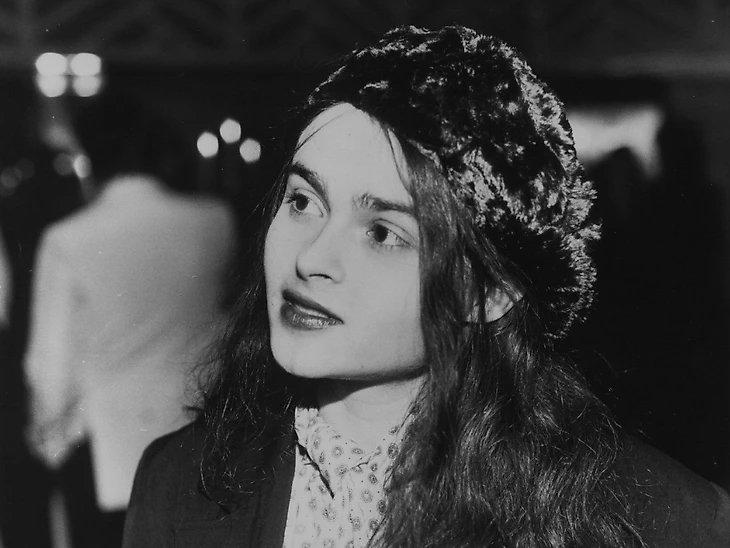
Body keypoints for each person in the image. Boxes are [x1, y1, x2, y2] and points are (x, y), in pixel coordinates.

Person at [122, 25, 730, 548]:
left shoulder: (662, 522)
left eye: (383, 233)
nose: (311, 259)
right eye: (304, 201)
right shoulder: (180, 485)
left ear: (488, 292)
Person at [23, 90, 237, 547]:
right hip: (197, 437)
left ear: (89, 158)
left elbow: (49, 363)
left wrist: (47, 435)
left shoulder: (67, 238)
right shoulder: (215, 220)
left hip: (108, 448)